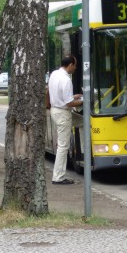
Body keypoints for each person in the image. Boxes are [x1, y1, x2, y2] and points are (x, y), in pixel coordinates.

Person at [48, 55, 83, 185]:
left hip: (55, 110)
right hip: (63, 113)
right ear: (70, 65)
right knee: (63, 146)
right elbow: (69, 103)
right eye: (75, 65)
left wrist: (74, 96)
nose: (76, 67)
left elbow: (61, 95)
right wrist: (82, 102)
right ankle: (58, 177)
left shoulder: (54, 74)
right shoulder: (67, 80)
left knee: (86, 123)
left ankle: (85, 153)